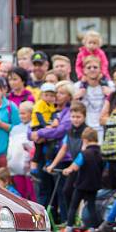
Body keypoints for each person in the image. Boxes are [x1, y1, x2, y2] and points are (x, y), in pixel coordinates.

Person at [31, 81, 74, 221]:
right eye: (57, 93)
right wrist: (34, 134)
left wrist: (41, 133)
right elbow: (31, 128)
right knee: (44, 189)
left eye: (61, 93)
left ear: (69, 96)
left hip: (61, 156)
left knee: (61, 190)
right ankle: (44, 220)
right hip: (45, 153)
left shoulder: (69, 113)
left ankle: (65, 220)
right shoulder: (48, 107)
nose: (56, 96)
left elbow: (59, 131)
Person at [91, 94, 116, 232]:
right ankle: (108, 222)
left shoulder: (115, 116)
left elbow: (102, 119)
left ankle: (108, 222)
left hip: (115, 158)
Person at [46, 101, 87, 218]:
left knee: (82, 194)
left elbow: (83, 152)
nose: (76, 119)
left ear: (84, 117)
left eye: (78, 117)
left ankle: (82, 220)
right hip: (75, 167)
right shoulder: (69, 132)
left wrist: (70, 167)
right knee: (66, 191)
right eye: (73, 117)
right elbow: (63, 149)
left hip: (86, 167)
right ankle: (71, 220)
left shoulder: (87, 131)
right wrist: (52, 165)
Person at [61, 127, 103, 232]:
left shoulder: (84, 154)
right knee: (91, 206)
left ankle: (69, 228)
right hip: (94, 185)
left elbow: (74, 167)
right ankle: (93, 230)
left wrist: (66, 170)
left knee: (73, 206)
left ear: (85, 140)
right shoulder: (101, 153)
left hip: (81, 185)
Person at [74, 55, 113, 139]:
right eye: (89, 67)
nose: (92, 69)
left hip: (105, 129)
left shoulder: (110, 85)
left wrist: (111, 95)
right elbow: (71, 110)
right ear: (84, 70)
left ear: (100, 69)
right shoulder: (77, 86)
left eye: (95, 67)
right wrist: (75, 98)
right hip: (85, 130)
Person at [7, 102, 36, 201]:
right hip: (15, 166)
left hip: (29, 167)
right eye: (20, 113)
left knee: (32, 194)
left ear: (31, 113)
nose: (21, 116)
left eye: (24, 113)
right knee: (20, 195)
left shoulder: (34, 127)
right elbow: (11, 148)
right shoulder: (15, 128)